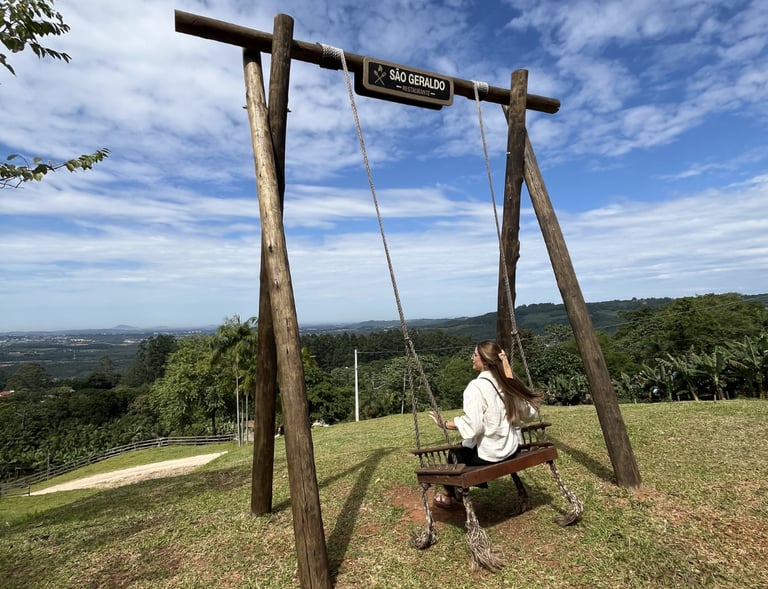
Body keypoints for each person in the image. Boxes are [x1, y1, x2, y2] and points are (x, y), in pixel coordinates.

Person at [429, 339, 542, 508]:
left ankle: (451, 496)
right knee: (464, 449)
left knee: (455, 454)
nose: (472, 358)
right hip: (511, 449)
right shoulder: (507, 383)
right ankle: (455, 493)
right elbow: (529, 415)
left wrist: (445, 424)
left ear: (485, 361)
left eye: (475, 355)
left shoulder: (476, 387)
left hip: (490, 455)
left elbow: (474, 427)